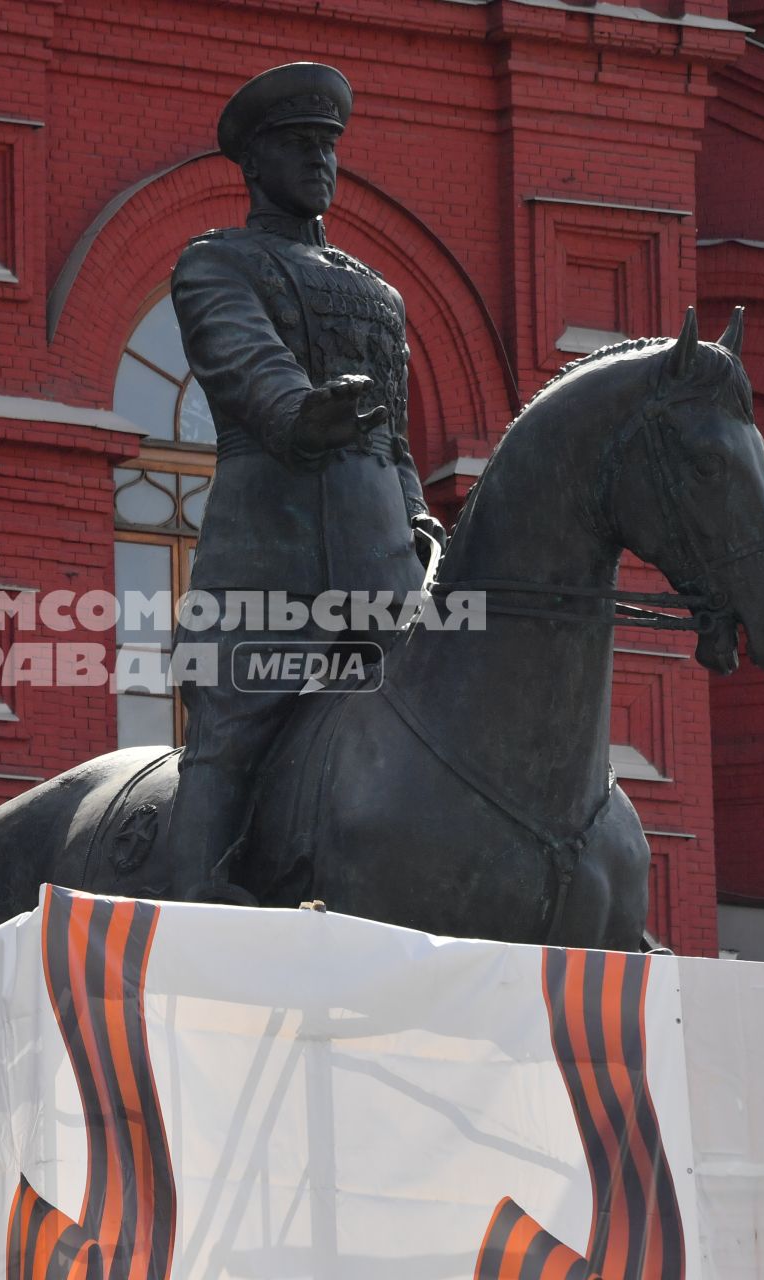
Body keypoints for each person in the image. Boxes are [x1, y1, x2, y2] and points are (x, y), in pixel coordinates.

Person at [163, 62, 445, 903]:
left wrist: (419, 514)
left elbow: (394, 439)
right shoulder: (217, 263)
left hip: (382, 566)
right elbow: (252, 374)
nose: (320, 161)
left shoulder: (377, 295)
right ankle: (192, 909)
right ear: (254, 163)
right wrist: (306, 413)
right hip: (268, 561)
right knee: (232, 739)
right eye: (299, 145)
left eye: (328, 146)